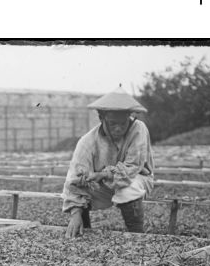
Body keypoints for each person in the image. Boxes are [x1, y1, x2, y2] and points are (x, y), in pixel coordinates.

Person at [62, 85, 155, 237]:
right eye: (113, 124)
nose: (118, 129)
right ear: (101, 118)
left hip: (137, 178)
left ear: (129, 117)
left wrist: (102, 175)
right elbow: (74, 179)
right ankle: (84, 230)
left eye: (123, 123)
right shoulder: (87, 142)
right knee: (80, 188)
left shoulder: (138, 129)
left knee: (128, 189)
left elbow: (132, 166)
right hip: (104, 185)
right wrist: (75, 213)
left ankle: (138, 235)